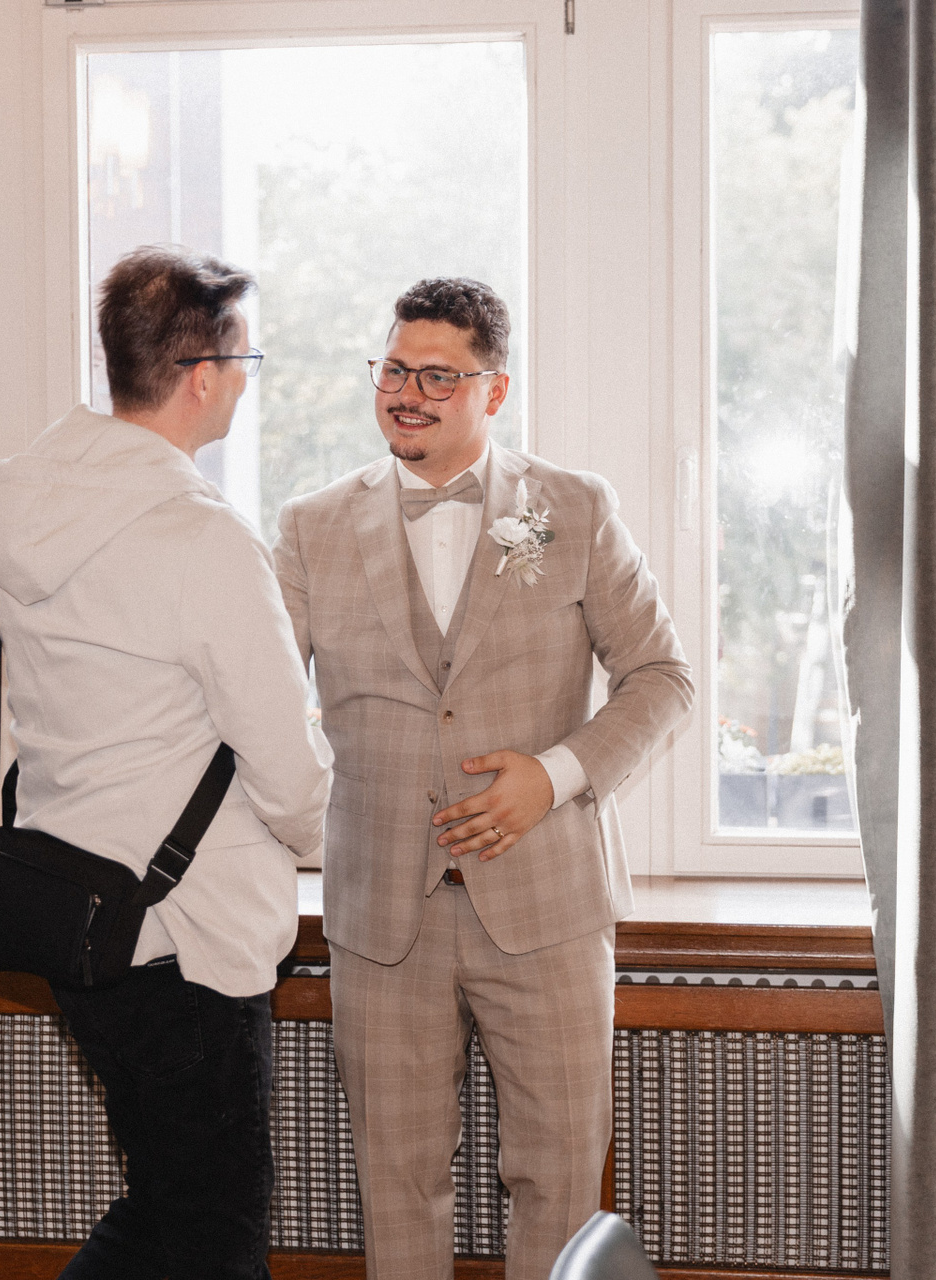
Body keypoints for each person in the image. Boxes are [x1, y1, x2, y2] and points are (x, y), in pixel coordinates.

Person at [273, 278, 694, 1280]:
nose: (405, 394)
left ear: (494, 391)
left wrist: (553, 776)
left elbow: (662, 678)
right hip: (382, 914)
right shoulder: (309, 526)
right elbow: (258, 703)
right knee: (397, 1183)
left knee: (560, 1179)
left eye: (437, 376)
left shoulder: (574, 508)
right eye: (393, 370)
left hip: (549, 907)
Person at [0, 245, 331, 1280]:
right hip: (187, 940)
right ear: (202, 377)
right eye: (245, 360)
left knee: (163, 1212)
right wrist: (322, 838)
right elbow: (288, 767)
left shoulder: (32, 502)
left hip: (82, 919)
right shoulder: (199, 538)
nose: (245, 381)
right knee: (215, 1234)